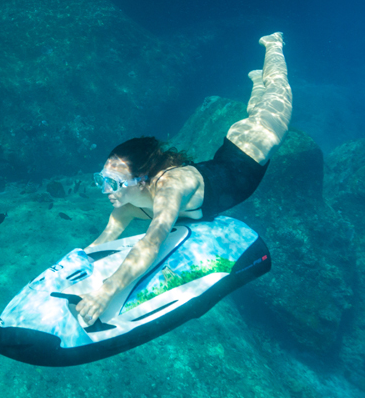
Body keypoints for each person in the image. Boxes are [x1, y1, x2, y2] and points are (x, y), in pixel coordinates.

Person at [76, 33, 291, 325]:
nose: (105, 190)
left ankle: (274, 44)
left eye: (114, 183)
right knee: (257, 111)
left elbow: (151, 243)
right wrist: (80, 263)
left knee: (277, 98)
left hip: (249, 156)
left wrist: (107, 292)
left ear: (141, 180)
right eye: (102, 179)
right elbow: (104, 240)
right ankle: (255, 82)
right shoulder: (126, 205)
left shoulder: (169, 189)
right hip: (224, 158)